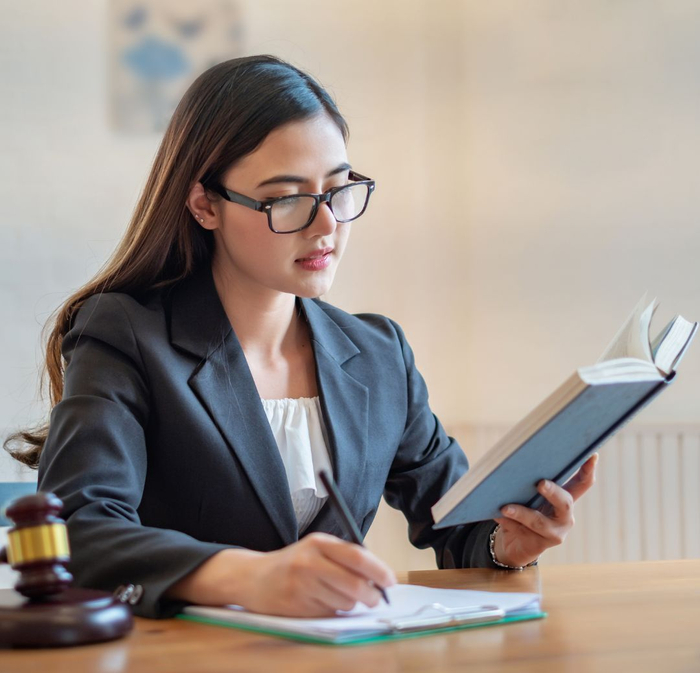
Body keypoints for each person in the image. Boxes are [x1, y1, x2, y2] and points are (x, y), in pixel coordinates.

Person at [5, 55, 597, 619]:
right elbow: (79, 530)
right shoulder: (126, 335)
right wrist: (250, 577)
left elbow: (457, 525)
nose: (327, 225)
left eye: (339, 189)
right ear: (204, 204)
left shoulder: (378, 353)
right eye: (287, 198)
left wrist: (509, 541)